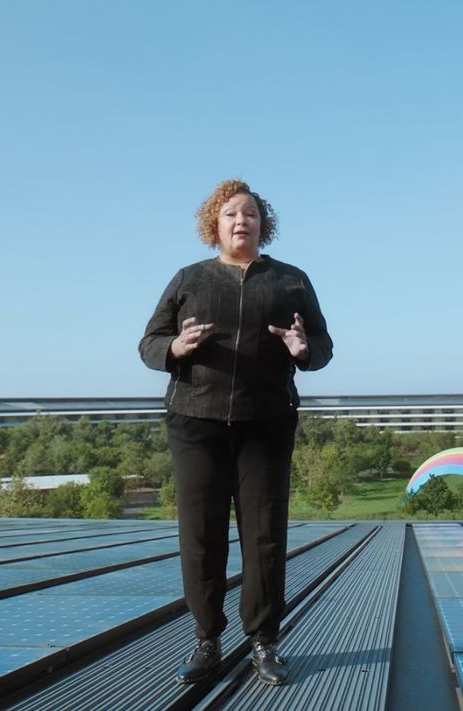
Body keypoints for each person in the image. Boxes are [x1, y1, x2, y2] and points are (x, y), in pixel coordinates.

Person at [139, 179, 333, 687]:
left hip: (266, 423)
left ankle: (265, 643)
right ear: (214, 225)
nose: (240, 221)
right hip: (196, 421)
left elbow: (322, 343)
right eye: (229, 214)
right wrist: (175, 349)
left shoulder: (291, 280)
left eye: (249, 213)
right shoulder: (190, 278)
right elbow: (149, 342)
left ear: (263, 224)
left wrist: (301, 347)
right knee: (201, 536)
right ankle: (207, 641)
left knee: (265, 535)